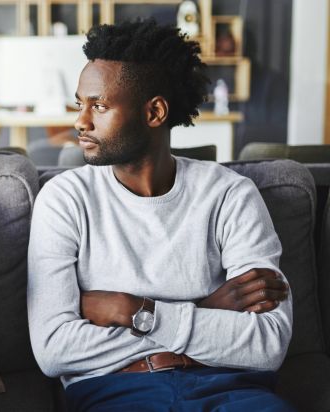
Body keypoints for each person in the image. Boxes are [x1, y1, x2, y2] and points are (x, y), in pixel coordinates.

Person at [27, 20, 294, 411]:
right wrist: (205, 311)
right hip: (117, 392)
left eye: (98, 105)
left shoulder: (229, 195)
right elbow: (54, 348)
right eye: (79, 104)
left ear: (154, 112)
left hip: (232, 388)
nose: (80, 121)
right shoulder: (65, 200)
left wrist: (134, 311)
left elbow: (267, 343)